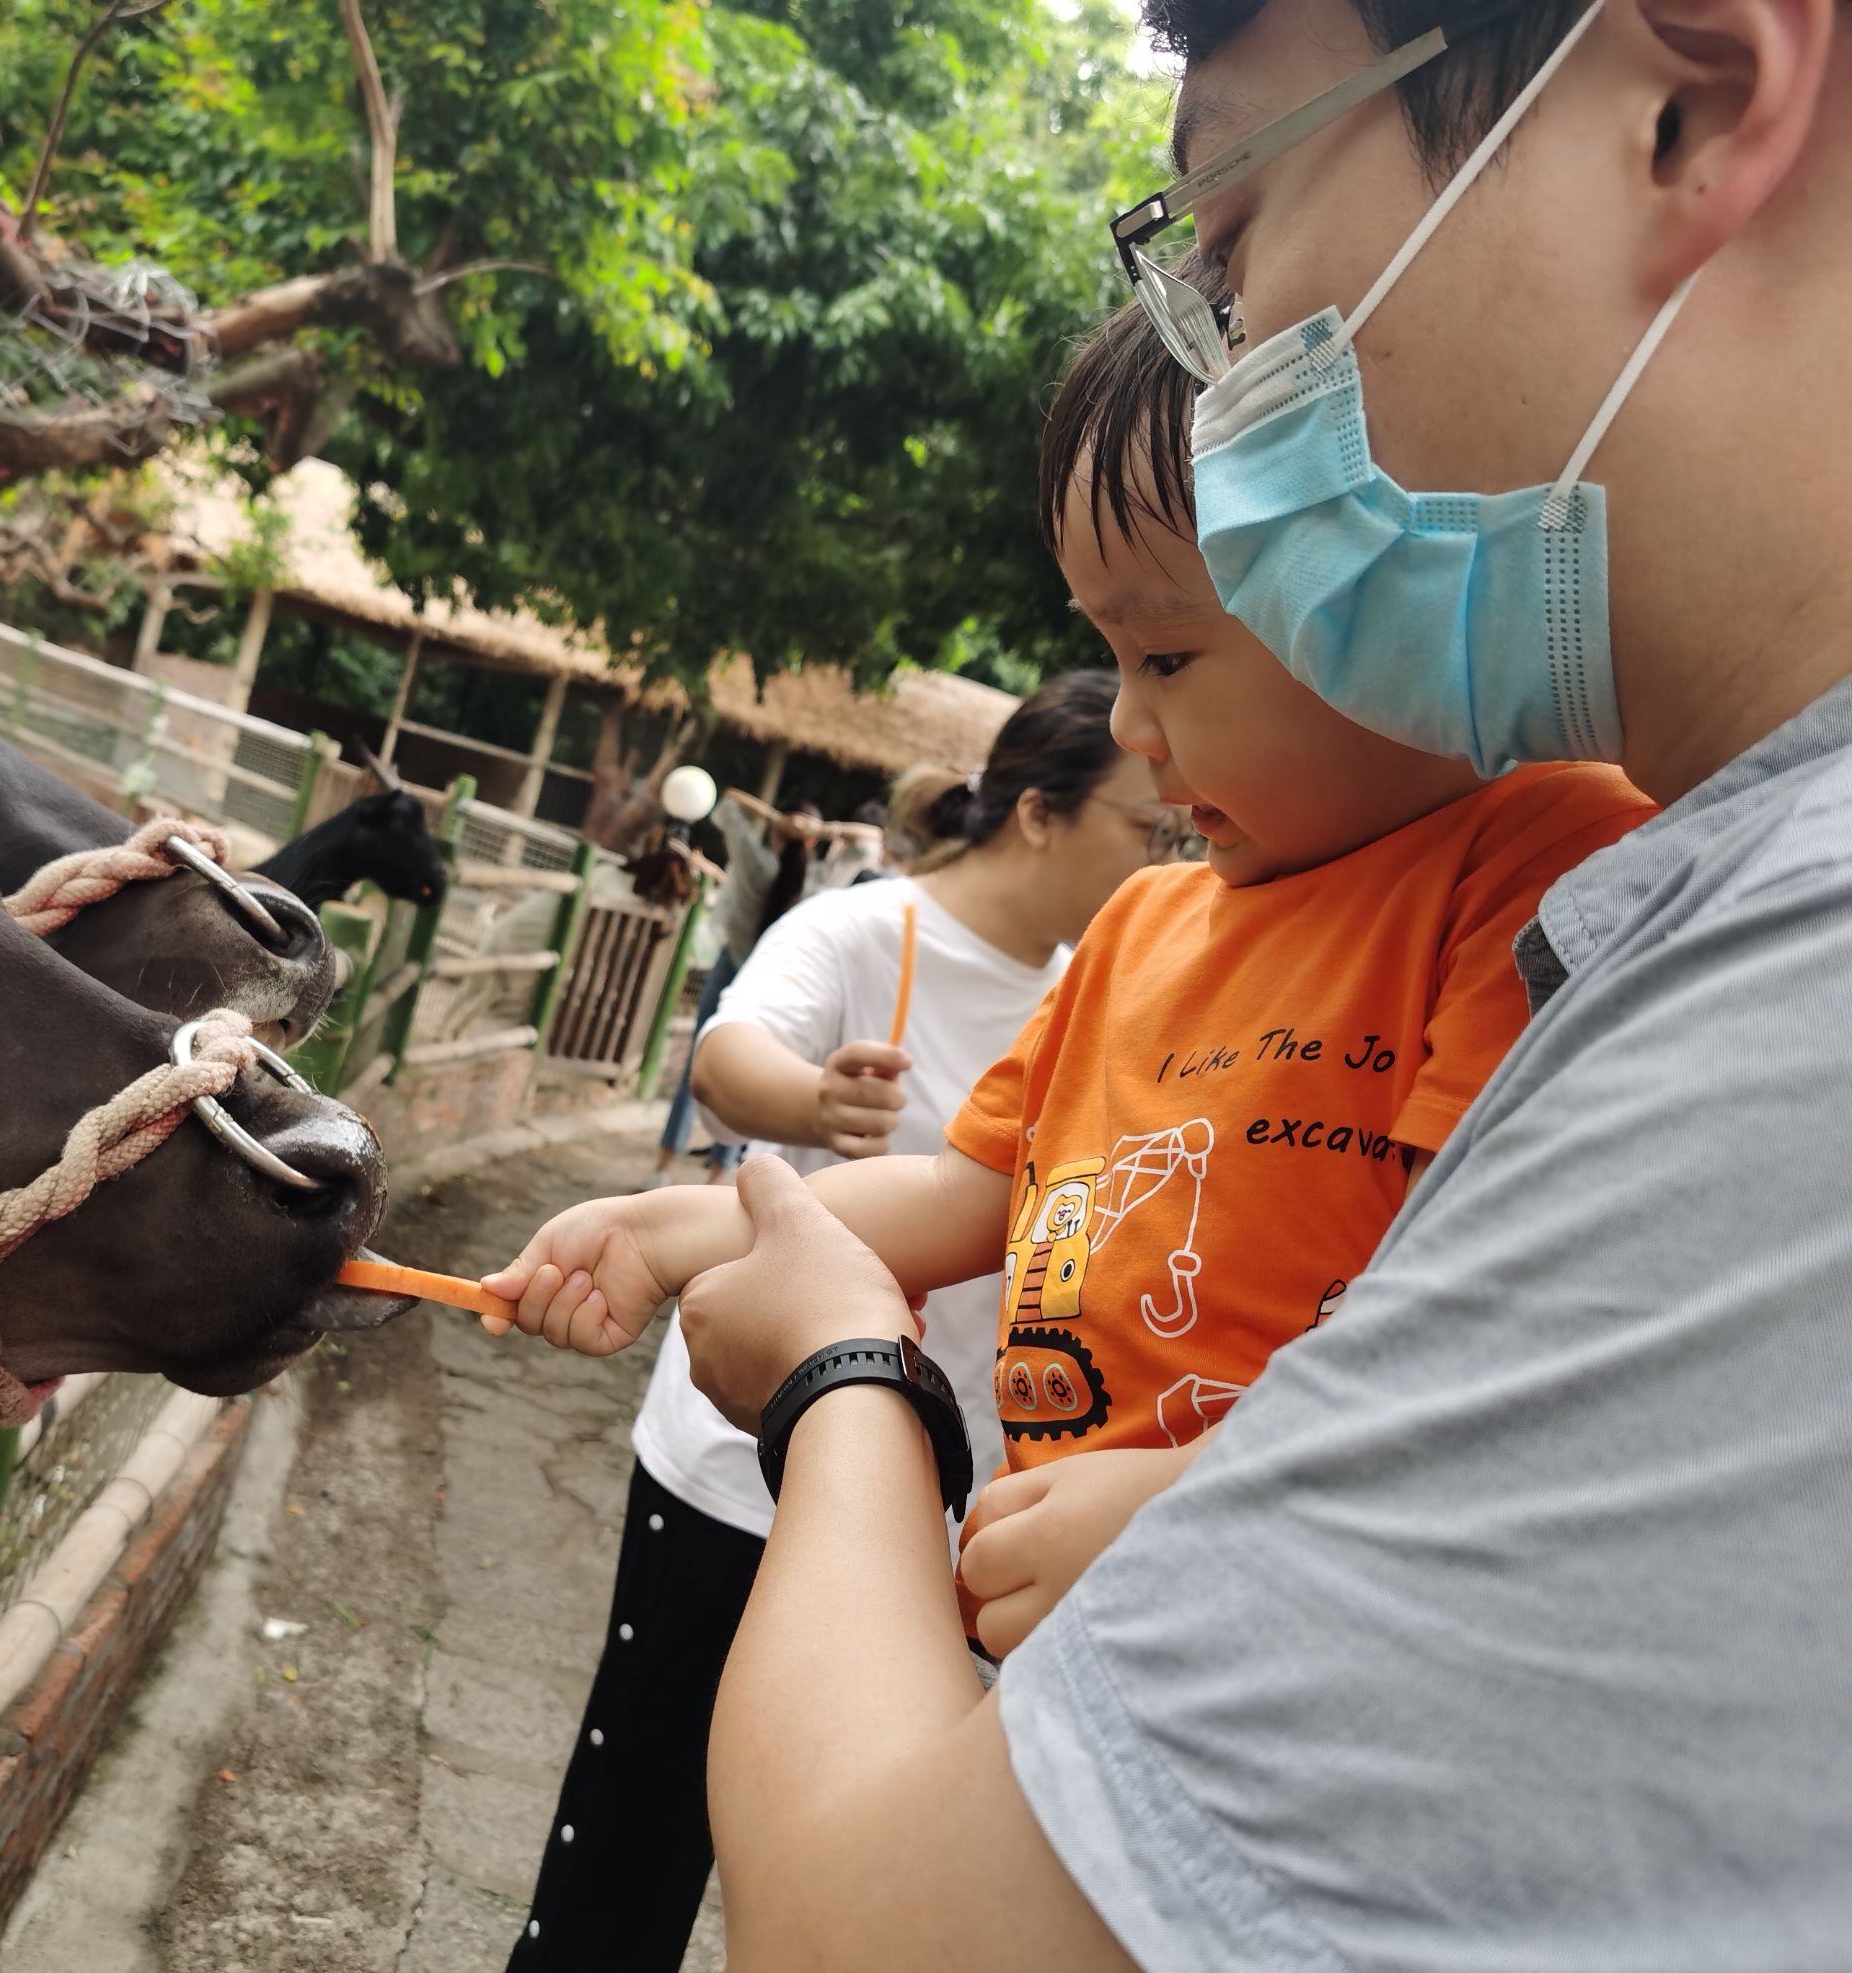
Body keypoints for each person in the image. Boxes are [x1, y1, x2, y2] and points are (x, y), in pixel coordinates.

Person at [487, 167, 1694, 1946]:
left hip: (1264, 1636)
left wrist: (1201, 1497)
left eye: (1170, 654)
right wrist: (697, 1232)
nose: (1129, 721)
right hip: (1045, 1619)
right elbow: (976, 1187)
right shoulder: (1142, 925)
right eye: (1109, 658)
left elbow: (1482, 1326)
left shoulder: (1523, 867)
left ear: (1380, 567)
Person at [509, 677, 1175, 1973]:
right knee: (630, 1853)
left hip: (938, 1489)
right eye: (1148, 831)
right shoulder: (870, 926)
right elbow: (726, 1051)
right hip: (740, 1460)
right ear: (1037, 813)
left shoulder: (1110, 980)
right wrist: (810, 1103)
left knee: (869, 1863)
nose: (1168, 856)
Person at [654, 792, 876, 1178]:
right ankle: (718, 1175)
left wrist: (777, 817)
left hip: (731, 968)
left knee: (700, 1063)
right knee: (752, 1075)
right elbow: (872, 838)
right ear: (811, 842)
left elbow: (728, 804)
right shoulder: (825, 879)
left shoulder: (751, 858)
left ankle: (662, 1166)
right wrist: (823, 829)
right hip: (786, 983)